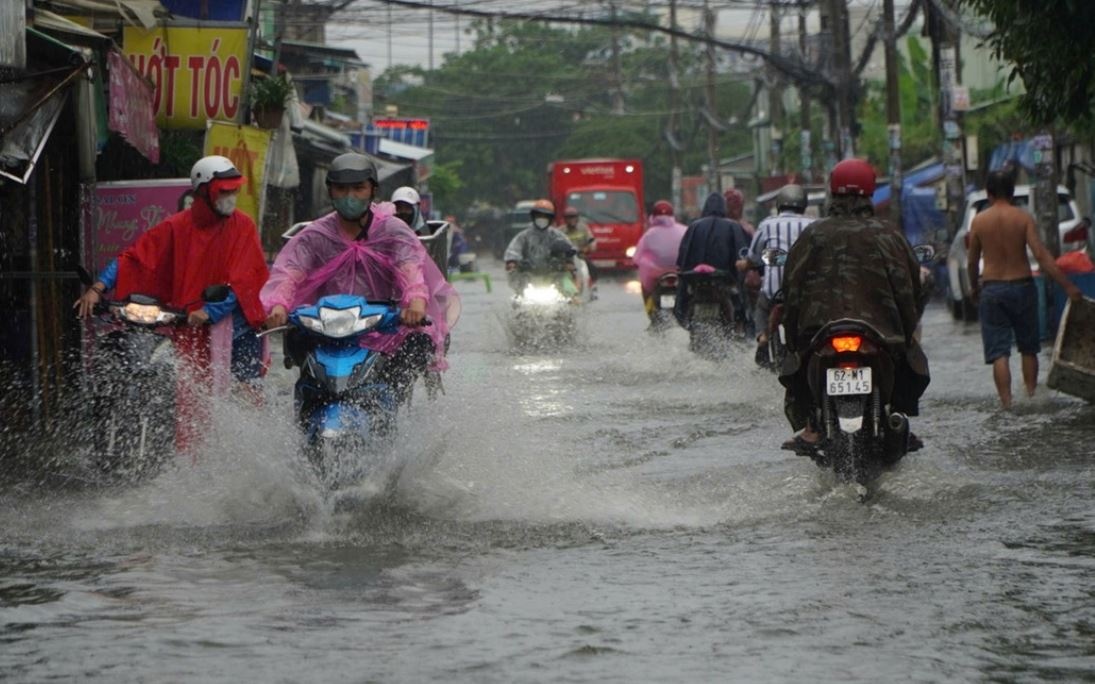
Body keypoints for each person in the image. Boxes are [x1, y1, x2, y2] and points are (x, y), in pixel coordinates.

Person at [74, 155, 270, 448]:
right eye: (224, 191)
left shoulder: (243, 227)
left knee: (243, 394)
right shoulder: (176, 226)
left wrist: (210, 310)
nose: (231, 197)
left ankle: (250, 451)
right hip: (189, 325)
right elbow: (135, 258)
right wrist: (98, 287)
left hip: (236, 329)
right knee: (187, 394)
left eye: (233, 191)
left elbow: (246, 280)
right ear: (203, 191)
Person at [262, 153, 460, 405]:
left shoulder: (392, 231)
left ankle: (395, 419)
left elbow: (411, 269)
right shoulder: (316, 235)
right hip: (329, 326)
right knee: (301, 357)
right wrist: (278, 306)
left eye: (358, 188)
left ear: (372, 191)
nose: (350, 196)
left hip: (384, 325)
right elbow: (290, 272)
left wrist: (416, 304)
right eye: (341, 189)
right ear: (330, 191)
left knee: (414, 349)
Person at [778, 158, 929, 454]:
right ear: (870, 193)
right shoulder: (888, 235)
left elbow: (791, 290)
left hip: (818, 334)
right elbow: (911, 287)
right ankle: (897, 417)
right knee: (909, 362)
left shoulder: (813, 235)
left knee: (794, 366)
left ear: (833, 194)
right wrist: (907, 329)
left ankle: (811, 425)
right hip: (882, 335)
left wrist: (794, 338)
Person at [968, 170, 1083, 409]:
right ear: (1011, 193)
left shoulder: (979, 222)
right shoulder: (1023, 218)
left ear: (989, 193)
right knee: (1028, 347)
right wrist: (1068, 285)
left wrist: (973, 287)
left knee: (999, 352)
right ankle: (1031, 397)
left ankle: (1007, 403)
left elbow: (972, 262)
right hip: (1022, 287)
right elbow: (1041, 256)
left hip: (992, 289)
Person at [736, 184, 815, 367]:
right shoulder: (812, 224)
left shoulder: (767, 224)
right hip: (805, 291)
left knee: (761, 308)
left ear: (779, 204)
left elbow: (754, 256)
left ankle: (763, 336)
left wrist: (745, 264)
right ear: (803, 205)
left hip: (774, 291)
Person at [674, 191, 751, 326]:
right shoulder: (733, 226)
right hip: (725, 278)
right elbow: (744, 251)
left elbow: (682, 257)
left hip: (696, 278)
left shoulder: (694, 226)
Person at [503, 199, 579, 295]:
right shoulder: (523, 236)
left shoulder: (558, 236)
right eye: (539, 215)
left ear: (551, 218)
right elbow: (513, 251)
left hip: (553, 276)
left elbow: (570, 251)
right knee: (518, 298)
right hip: (529, 277)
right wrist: (512, 262)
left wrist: (569, 263)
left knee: (569, 295)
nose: (542, 218)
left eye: (545, 216)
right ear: (533, 216)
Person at [633, 199, 687, 320]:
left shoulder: (649, 234)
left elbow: (636, 258)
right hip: (681, 271)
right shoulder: (685, 230)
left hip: (656, 274)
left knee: (645, 289)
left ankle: (650, 313)